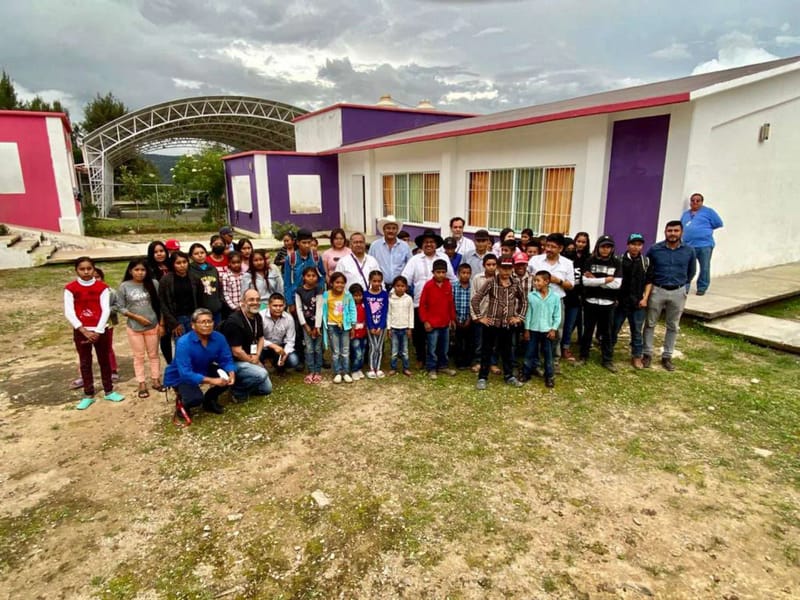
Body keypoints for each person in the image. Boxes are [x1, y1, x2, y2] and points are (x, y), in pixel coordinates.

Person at [64, 256, 124, 409]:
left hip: (100, 329)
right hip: (81, 330)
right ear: (76, 270)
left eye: (89, 269)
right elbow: (69, 312)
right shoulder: (70, 288)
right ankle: (88, 393)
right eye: (82, 269)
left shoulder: (102, 287)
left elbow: (105, 310)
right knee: (85, 362)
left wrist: (98, 330)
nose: (86, 272)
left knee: (104, 360)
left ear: (94, 269)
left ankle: (109, 390)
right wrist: (83, 330)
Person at [164, 308, 236, 425]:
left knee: (227, 377)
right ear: (193, 325)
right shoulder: (183, 343)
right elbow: (185, 373)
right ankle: (182, 403)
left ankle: (209, 400)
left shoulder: (219, 338)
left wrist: (231, 371)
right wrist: (213, 380)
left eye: (209, 321)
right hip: (181, 375)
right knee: (195, 399)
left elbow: (226, 358)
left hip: (203, 367)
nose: (207, 325)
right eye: (202, 322)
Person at [643, 220, 696, 371]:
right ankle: (647, 354)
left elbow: (691, 271)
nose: (672, 234)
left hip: (678, 291)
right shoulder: (655, 250)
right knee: (650, 323)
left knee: (673, 325)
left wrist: (684, 286)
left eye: (676, 231)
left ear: (681, 232)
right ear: (665, 232)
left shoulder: (689, 251)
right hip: (657, 290)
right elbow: (648, 269)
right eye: (669, 231)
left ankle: (667, 356)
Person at [400, 229, 456, 367]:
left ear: (436, 244)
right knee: (419, 333)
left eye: (431, 242)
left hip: (439, 304)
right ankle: (421, 358)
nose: (429, 244)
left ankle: (438, 361)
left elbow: (452, 279)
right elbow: (405, 279)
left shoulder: (443, 258)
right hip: (420, 302)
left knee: (438, 334)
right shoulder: (415, 259)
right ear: (422, 245)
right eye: (426, 242)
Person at [471, 256, 527, 389]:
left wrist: (519, 317)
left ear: (512, 268)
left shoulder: (516, 283)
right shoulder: (491, 282)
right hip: (491, 323)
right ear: (498, 268)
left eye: (509, 268)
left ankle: (509, 376)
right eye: (503, 268)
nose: (506, 271)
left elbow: (524, 301)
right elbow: (475, 300)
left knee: (507, 351)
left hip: (508, 324)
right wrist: (480, 317)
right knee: (486, 351)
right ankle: (482, 377)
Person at [117, 258, 163, 398]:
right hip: (134, 327)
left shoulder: (153, 284)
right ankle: (141, 382)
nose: (140, 273)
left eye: (143, 270)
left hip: (152, 326)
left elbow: (160, 305)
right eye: (136, 270)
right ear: (130, 271)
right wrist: (136, 317)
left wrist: (161, 323)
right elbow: (120, 307)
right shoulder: (124, 286)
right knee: (139, 356)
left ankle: (155, 380)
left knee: (154, 355)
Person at [527, 233, 574, 370]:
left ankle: (553, 360)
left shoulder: (567, 263)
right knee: (536, 330)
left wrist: (557, 281)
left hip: (556, 302)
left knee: (556, 331)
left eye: (553, 247)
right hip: (536, 301)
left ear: (560, 248)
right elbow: (527, 277)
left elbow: (571, 285)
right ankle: (535, 361)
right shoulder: (535, 260)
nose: (549, 249)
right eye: (547, 246)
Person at [576, 235, 622, 372]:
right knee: (588, 330)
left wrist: (595, 280)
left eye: (608, 247)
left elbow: (617, 284)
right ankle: (583, 356)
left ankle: (607, 360)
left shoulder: (616, 262)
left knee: (607, 332)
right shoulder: (590, 260)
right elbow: (585, 282)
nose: (605, 249)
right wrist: (605, 280)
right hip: (591, 301)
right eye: (603, 246)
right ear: (598, 247)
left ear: (612, 248)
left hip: (608, 303)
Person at [220, 289, 273, 402]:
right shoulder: (234, 322)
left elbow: (261, 338)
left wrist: (257, 355)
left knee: (267, 389)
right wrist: (252, 361)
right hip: (234, 361)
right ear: (242, 302)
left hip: (250, 357)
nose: (255, 302)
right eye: (251, 300)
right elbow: (236, 351)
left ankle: (244, 382)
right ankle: (237, 390)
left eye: (258, 299)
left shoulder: (257, 316)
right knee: (262, 374)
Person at [613, 233, 650, 369]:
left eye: (639, 244)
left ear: (642, 246)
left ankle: (636, 356)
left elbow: (649, 282)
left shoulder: (646, 262)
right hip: (621, 302)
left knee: (636, 331)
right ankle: (608, 353)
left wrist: (645, 298)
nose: (635, 247)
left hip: (638, 303)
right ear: (628, 245)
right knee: (614, 328)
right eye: (633, 244)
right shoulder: (619, 260)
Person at [521, 271, 561, 388]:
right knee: (529, 353)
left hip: (547, 331)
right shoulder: (531, 296)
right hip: (533, 330)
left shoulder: (555, 297)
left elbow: (557, 315)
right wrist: (526, 329)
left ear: (546, 281)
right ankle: (526, 373)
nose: (535, 283)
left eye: (538, 280)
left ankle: (549, 376)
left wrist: (553, 329)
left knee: (548, 354)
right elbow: (528, 314)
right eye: (534, 280)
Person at [419, 259, 457, 379]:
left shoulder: (448, 285)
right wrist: (425, 320)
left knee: (444, 347)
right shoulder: (428, 286)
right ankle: (431, 368)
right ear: (433, 272)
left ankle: (443, 366)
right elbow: (422, 304)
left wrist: (452, 319)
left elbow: (450, 303)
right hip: (432, 324)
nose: (441, 274)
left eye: (443, 272)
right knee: (432, 348)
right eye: (438, 272)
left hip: (445, 322)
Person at [681, 192, 723, 295]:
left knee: (704, 267)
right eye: (692, 200)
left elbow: (718, 223)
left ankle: (702, 287)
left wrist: (704, 231)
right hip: (688, 245)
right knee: (687, 267)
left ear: (702, 202)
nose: (695, 202)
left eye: (697, 200)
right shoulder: (686, 214)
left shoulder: (708, 212)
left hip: (704, 245)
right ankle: (685, 287)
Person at [318, 272, 356, 383]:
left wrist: (353, 325)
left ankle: (345, 372)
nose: (340, 285)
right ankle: (337, 372)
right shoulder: (326, 295)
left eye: (342, 283)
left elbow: (352, 309)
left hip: (345, 326)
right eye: (337, 282)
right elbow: (322, 310)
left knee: (345, 351)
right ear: (331, 283)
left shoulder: (347, 295)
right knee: (335, 351)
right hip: (331, 326)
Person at [158, 251, 202, 349]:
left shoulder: (195, 278)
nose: (182, 265)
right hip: (177, 319)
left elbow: (200, 300)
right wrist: (173, 323)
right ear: (173, 264)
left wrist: (198, 318)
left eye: (184, 262)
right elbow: (163, 303)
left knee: (196, 345)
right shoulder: (166, 280)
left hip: (193, 317)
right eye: (178, 263)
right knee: (181, 347)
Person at [561, 232, 590, 361]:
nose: (572, 251)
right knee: (559, 324)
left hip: (576, 297)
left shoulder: (584, 259)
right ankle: (555, 347)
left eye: (583, 242)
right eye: (569, 249)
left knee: (570, 324)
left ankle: (566, 347)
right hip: (561, 295)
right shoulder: (562, 261)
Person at [295, 266, 324, 384]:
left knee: (317, 348)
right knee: (309, 348)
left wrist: (317, 326)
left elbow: (320, 308)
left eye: (314, 276)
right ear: (303, 277)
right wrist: (305, 325)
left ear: (317, 277)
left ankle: (318, 371)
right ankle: (310, 371)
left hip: (318, 324)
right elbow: (299, 308)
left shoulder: (319, 289)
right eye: (308, 276)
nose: (311, 278)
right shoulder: (299, 291)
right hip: (306, 325)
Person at [146, 240, 173, 364]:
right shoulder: (149, 269)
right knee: (165, 336)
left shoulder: (172, 265)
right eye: (155, 252)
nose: (159, 254)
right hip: (158, 306)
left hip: (175, 304)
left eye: (161, 251)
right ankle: (169, 362)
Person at [259, 293, 299, 372]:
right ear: (269, 305)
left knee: (293, 361)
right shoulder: (260, 316)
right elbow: (256, 338)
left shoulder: (289, 318)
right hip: (262, 347)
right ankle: (263, 363)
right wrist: (273, 346)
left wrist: (285, 354)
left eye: (281, 306)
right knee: (254, 355)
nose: (278, 308)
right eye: (275, 305)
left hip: (280, 347)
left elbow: (290, 340)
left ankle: (276, 363)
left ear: (284, 306)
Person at [369, 215, 411, 290]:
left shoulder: (405, 246)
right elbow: (369, 265)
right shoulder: (375, 246)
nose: (391, 231)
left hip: (399, 288)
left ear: (397, 230)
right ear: (383, 230)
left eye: (394, 228)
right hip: (379, 287)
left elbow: (410, 266)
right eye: (388, 228)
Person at [188, 243, 224, 326]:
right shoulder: (190, 270)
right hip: (201, 311)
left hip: (216, 309)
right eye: (196, 254)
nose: (200, 255)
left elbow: (219, 287)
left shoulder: (212, 268)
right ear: (191, 256)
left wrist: (220, 302)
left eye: (202, 252)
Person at [364, 270, 389, 378]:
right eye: (374, 281)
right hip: (370, 326)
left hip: (381, 326)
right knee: (373, 347)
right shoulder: (366, 294)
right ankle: (371, 368)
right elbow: (367, 312)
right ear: (370, 281)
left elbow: (385, 311)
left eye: (379, 281)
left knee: (379, 347)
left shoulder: (384, 294)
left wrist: (380, 326)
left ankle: (378, 368)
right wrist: (371, 326)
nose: (376, 283)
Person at [387, 275, 414, 376]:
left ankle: (406, 368)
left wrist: (410, 328)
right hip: (394, 328)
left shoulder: (408, 299)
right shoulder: (391, 299)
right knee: (394, 350)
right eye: (398, 286)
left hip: (405, 329)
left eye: (402, 286)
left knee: (405, 350)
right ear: (394, 286)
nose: (400, 288)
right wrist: (389, 328)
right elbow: (389, 314)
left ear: (406, 287)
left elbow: (411, 314)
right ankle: (393, 368)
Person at [452, 263, 473, 369]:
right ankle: (459, 362)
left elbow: (474, 303)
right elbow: (451, 303)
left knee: (469, 341)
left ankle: (468, 361)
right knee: (458, 342)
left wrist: (470, 318)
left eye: (468, 273)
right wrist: (455, 319)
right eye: (463, 273)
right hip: (457, 319)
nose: (465, 275)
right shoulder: (454, 286)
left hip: (469, 319)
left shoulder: (473, 286)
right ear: (458, 273)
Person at [349, 283, 368, 380]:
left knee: (363, 352)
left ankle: (359, 368)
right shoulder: (349, 307)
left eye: (360, 295)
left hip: (363, 334)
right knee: (357, 353)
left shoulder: (364, 305)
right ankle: (354, 370)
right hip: (354, 335)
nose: (358, 298)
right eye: (355, 296)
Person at [220, 251, 245, 317]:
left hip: (244, 306)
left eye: (238, 262)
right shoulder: (226, 276)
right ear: (229, 263)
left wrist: (243, 305)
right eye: (233, 263)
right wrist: (234, 307)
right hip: (231, 308)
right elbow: (225, 293)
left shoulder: (244, 275)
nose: (236, 264)